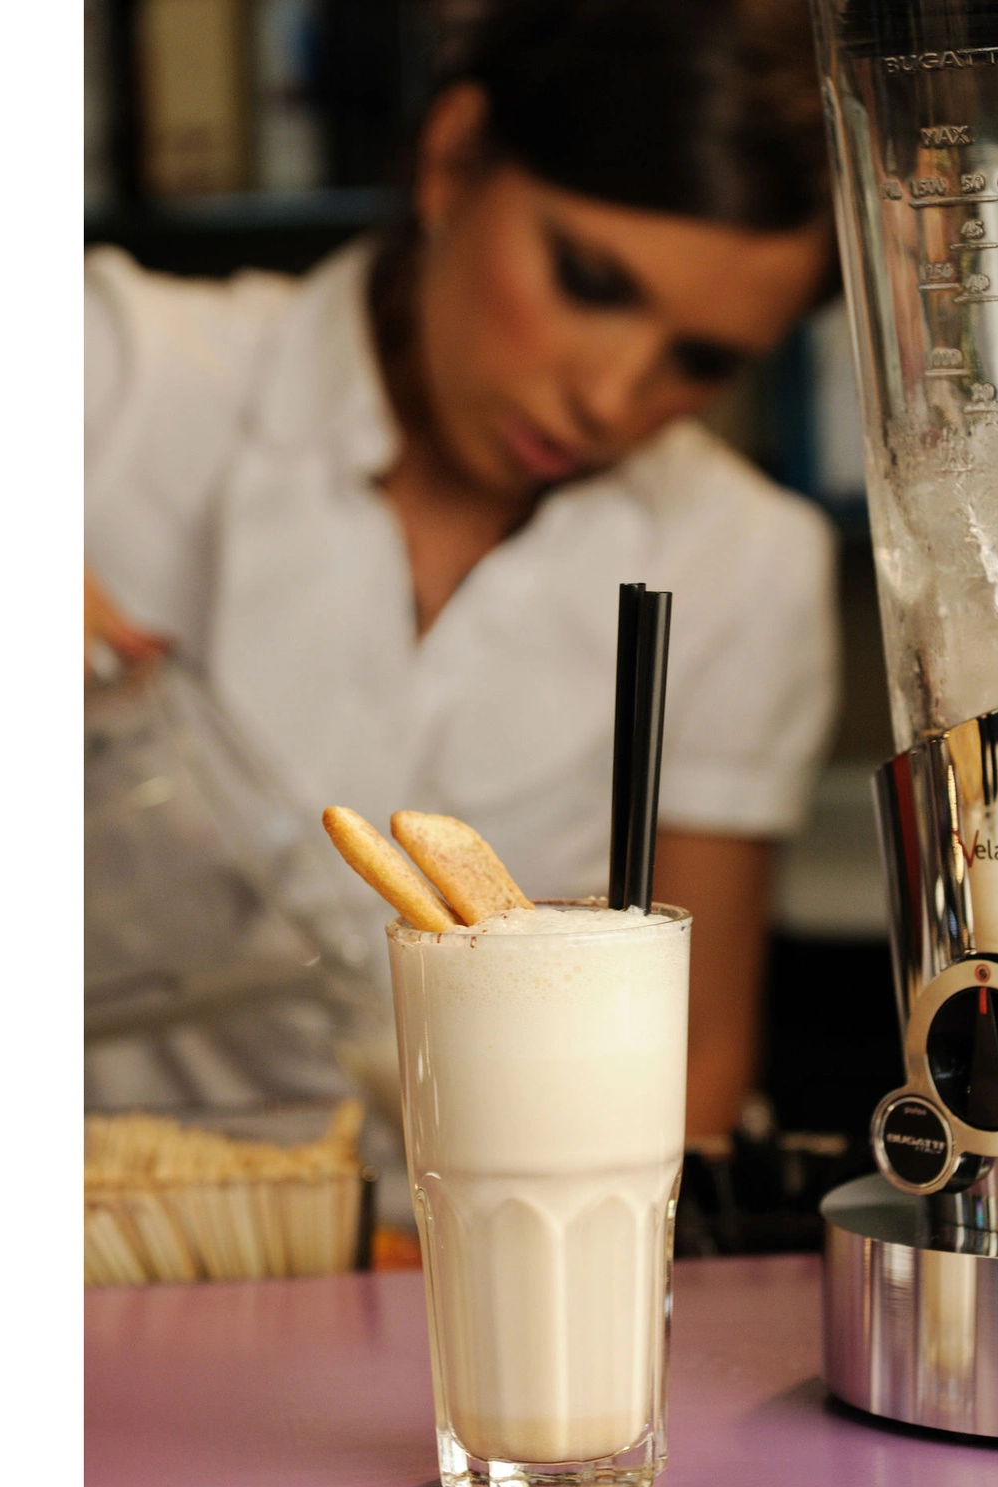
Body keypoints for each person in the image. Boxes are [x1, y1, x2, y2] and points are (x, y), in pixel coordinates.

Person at [85, 0, 841, 1144]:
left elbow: (688, 1065)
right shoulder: (121, 375)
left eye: (698, 360)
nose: (610, 397)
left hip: (472, 1234)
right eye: (590, 281)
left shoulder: (742, 561)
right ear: (451, 158)